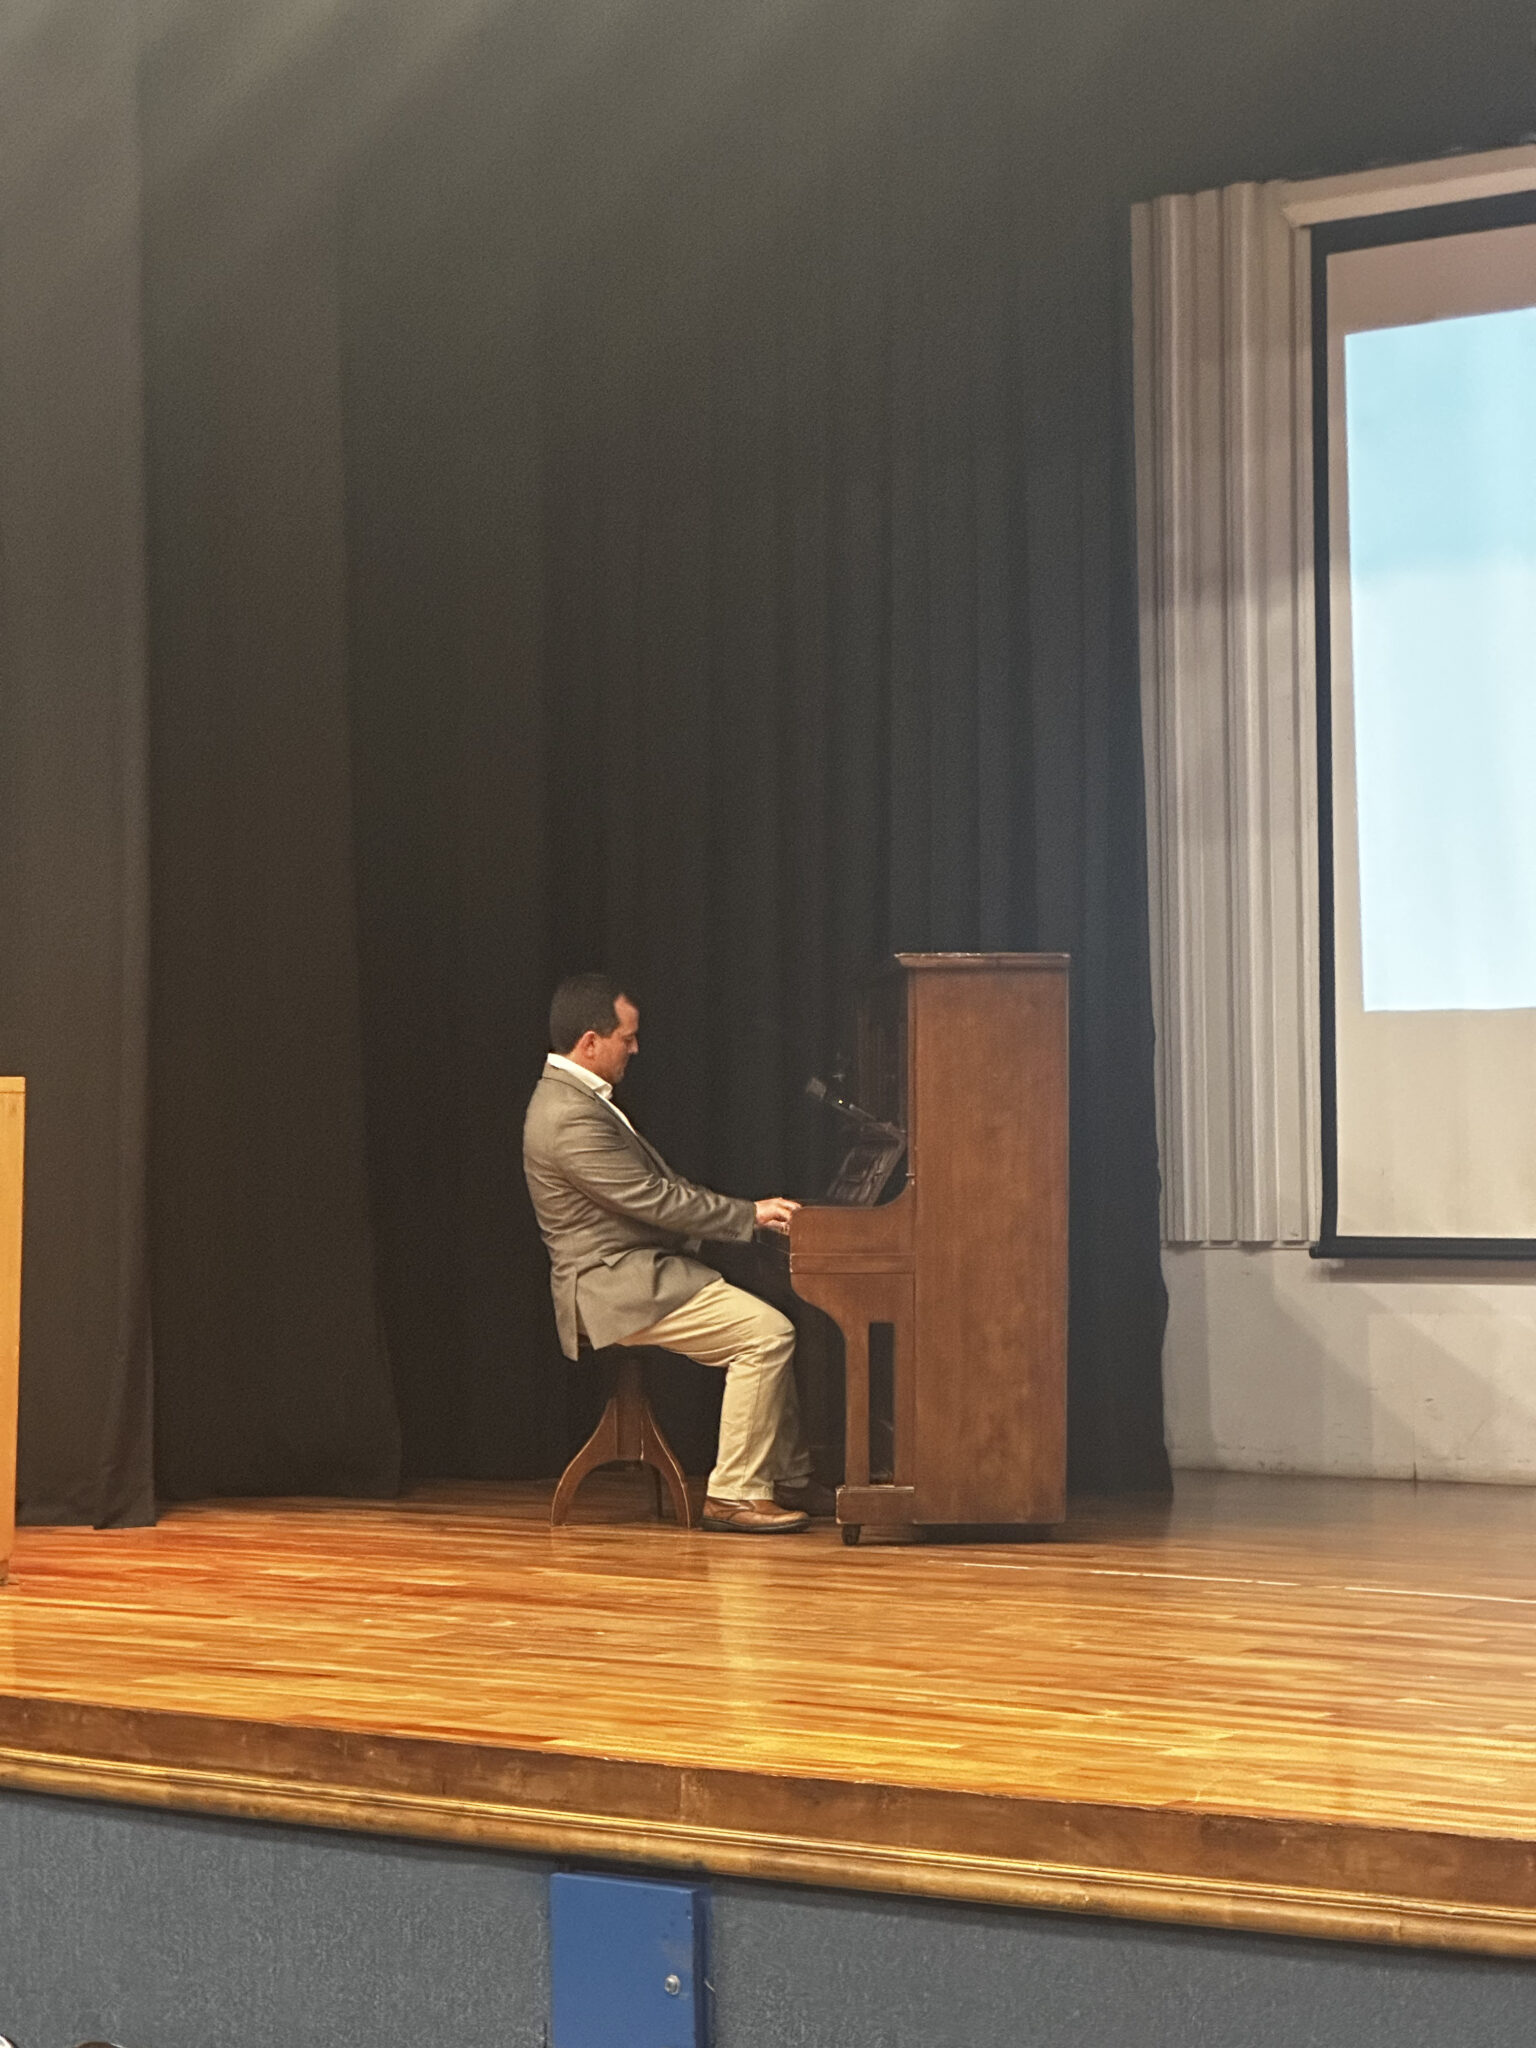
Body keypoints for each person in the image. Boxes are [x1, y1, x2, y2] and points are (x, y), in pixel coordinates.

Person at [523, 972, 821, 1534]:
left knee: (774, 1308)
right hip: (613, 1286)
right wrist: (747, 1215)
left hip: (637, 1271)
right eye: (627, 1037)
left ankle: (787, 1474)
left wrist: (741, 1221)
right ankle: (734, 1493)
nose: (635, 1048)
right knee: (766, 1334)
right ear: (590, 1042)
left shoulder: (579, 1099)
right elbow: (651, 1199)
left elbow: (660, 1189)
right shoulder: (568, 1116)